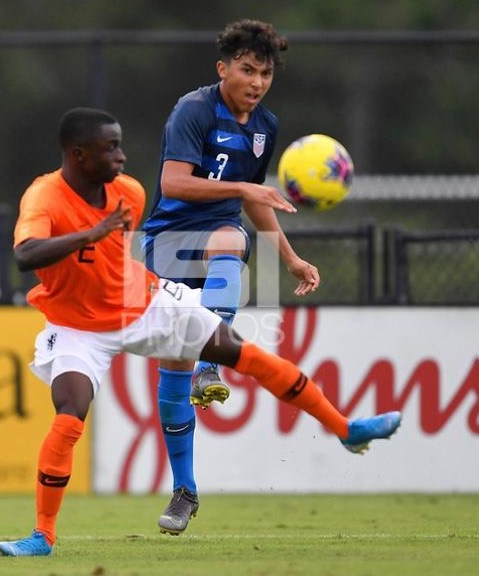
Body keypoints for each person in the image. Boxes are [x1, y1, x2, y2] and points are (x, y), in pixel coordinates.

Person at [0, 107, 401, 557]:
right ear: (78, 154)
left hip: (144, 305)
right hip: (76, 326)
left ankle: (346, 429)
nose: (122, 157)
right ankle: (43, 537)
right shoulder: (44, 196)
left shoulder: (128, 192)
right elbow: (26, 255)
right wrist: (89, 234)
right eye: (110, 148)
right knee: (70, 414)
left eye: (120, 145)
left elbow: (111, 266)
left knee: (247, 356)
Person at [141, 19, 321, 534]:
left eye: (265, 73)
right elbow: (175, 182)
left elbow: (255, 200)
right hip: (169, 242)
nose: (257, 81)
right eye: (247, 70)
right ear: (223, 69)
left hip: (218, 237)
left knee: (230, 239)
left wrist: (290, 258)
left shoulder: (266, 126)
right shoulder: (194, 110)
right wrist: (244, 190)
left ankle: (209, 366)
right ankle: (185, 490)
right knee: (173, 367)